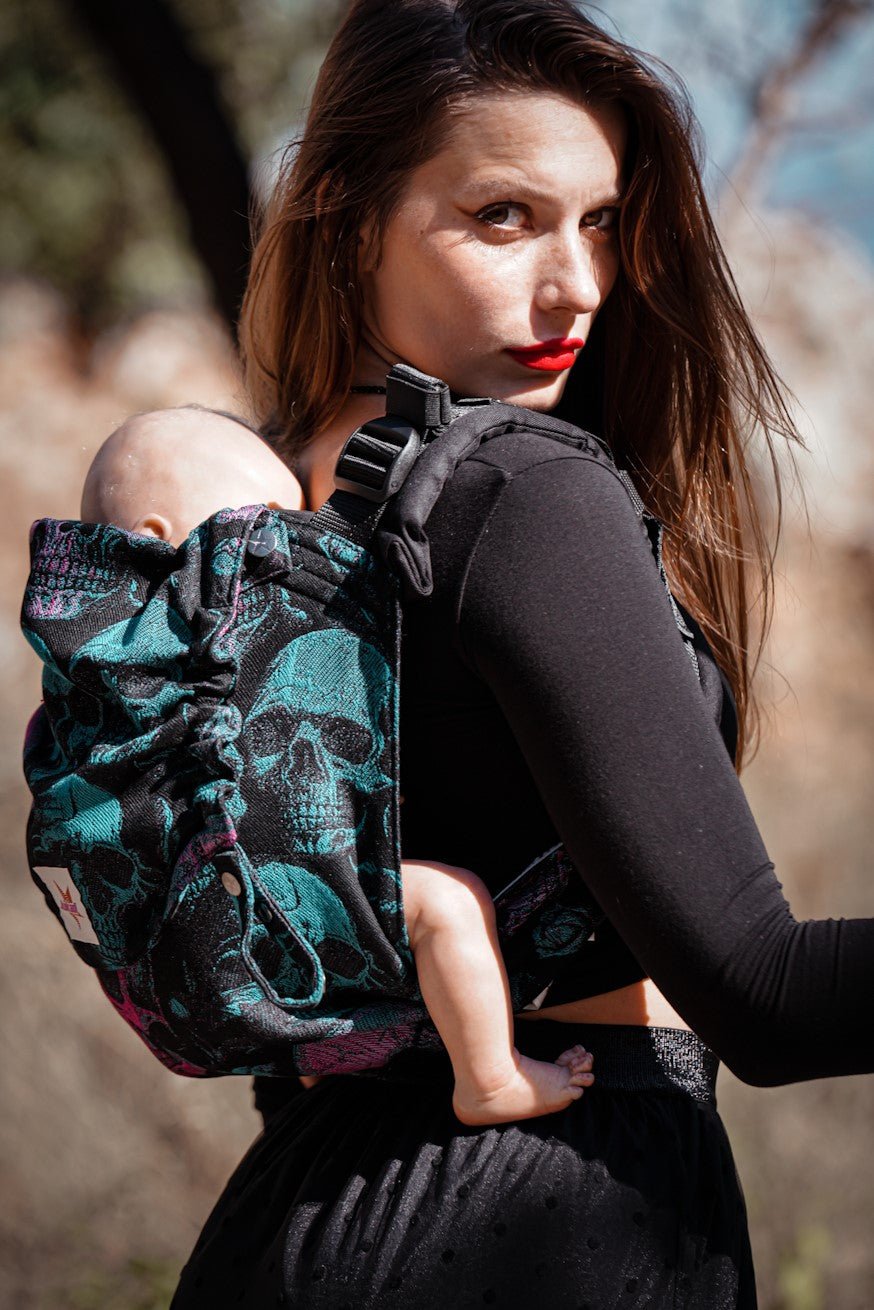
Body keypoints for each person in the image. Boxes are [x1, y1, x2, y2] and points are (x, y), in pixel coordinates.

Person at [161, 1, 874, 1305]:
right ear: (350, 216)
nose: (578, 286)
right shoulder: (521, 492)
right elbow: (763, 991)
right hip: (545, 1210)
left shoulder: (271, 492)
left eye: (599, 221)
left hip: (308, 1205)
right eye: (503, 216)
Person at [80, 402, 598, 1124]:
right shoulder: (204, 623)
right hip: (249, 918)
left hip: (173, 966)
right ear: (154, 538)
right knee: (448, 905)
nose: (291, 546)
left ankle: (323, 1053)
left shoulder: (92, 669)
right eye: (269, 523)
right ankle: (490, 1080)